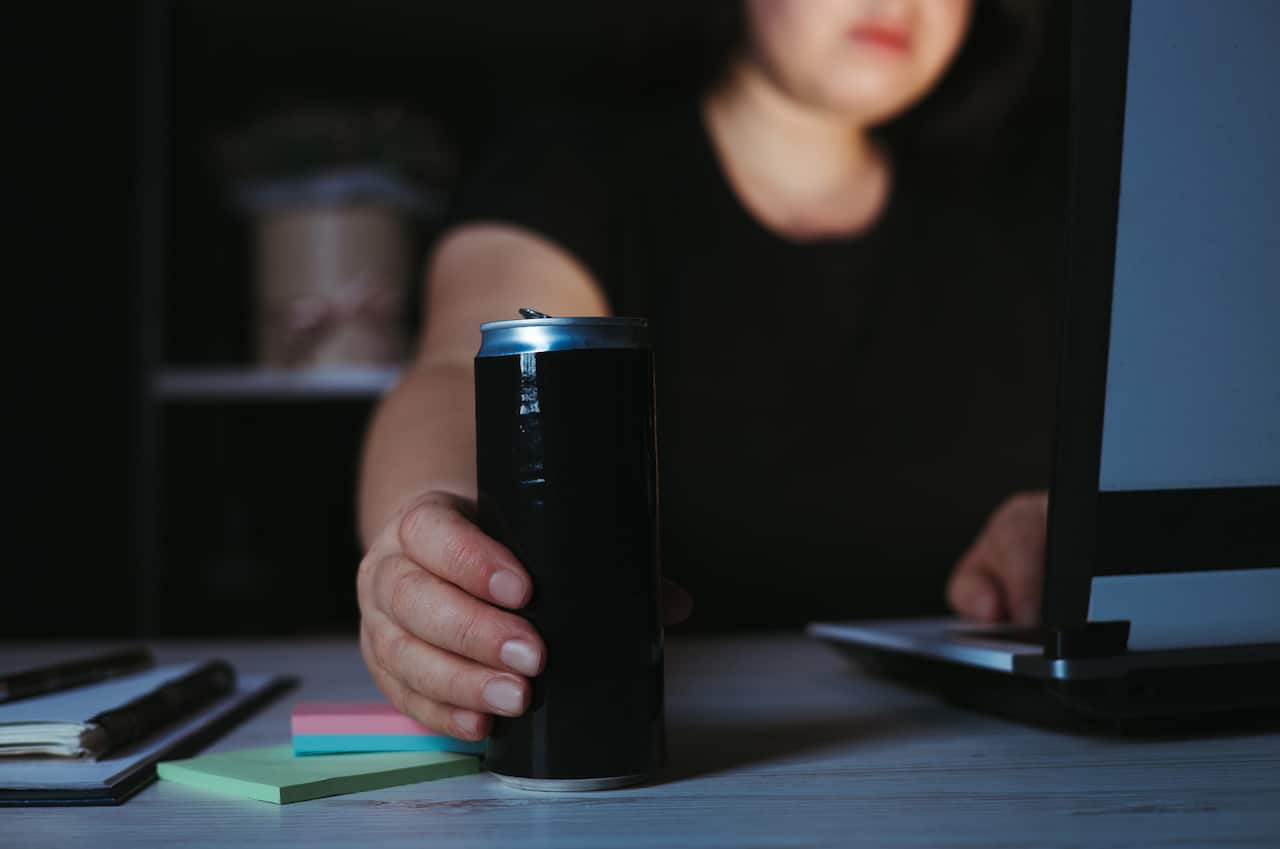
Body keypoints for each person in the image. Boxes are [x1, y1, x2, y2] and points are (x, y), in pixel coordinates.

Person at [356, 0, 1064, 742]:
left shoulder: (1038, 206)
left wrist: (1078, 530)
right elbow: (458, 371)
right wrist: (433, 543)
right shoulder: (573, 165)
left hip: (991, 764)